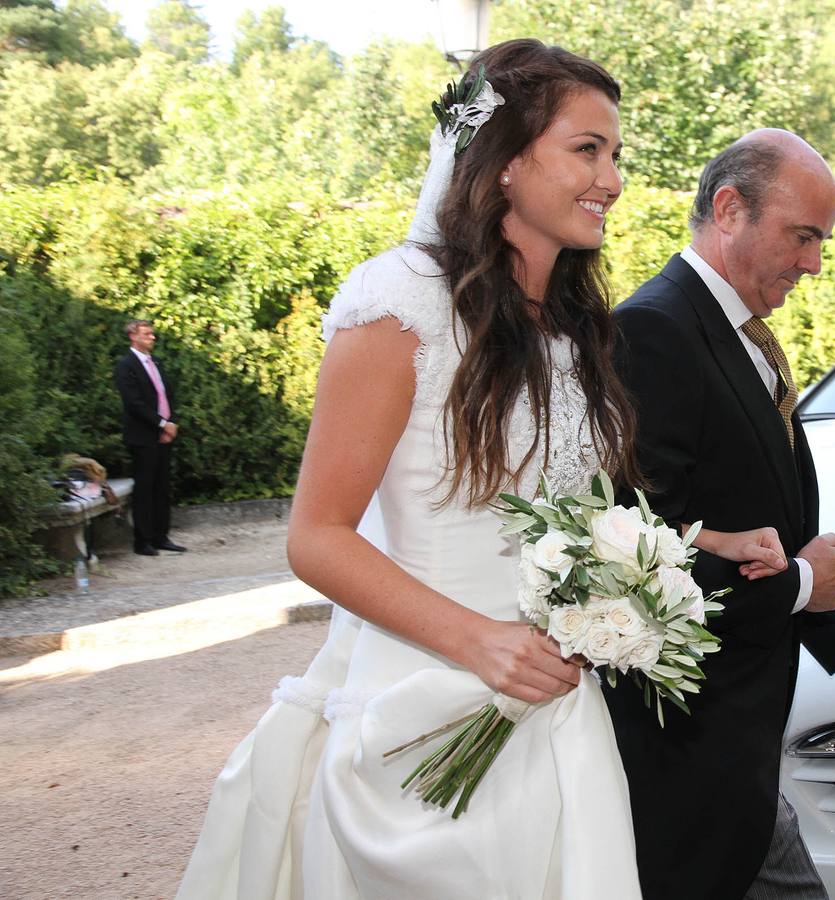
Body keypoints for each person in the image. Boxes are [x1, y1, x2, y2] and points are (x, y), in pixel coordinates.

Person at [174, 41, 778, 900]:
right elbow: (316, 539)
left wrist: (687, 542)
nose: (611, 179)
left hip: (556, 712)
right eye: (587, 149)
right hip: (425, 706)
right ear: (502, 163)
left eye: (616, 155)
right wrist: (482, 644)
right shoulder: (399, 306)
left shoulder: (575, 329)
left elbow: (558, 510)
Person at [602, 130, 835, 900]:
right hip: (687, 748)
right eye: (802, 235)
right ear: (727, 209)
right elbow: (639, 555)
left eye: (821, 240)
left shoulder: (737, 331)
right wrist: (810, 582)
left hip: (735, 748)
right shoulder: (653, 332)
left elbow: (762, 523)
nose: (814, 262)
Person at [114, 319, 186, 555]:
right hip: (143, 435)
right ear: (133, 336)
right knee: (145, 488)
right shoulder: (126, 365)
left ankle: (161, 536)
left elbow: (166, 395)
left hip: (164, 433)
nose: (152, 337)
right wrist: (161, 424)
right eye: (146, 334)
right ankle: (142, 541)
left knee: (162, 487)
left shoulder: (156, 362)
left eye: (152, 334)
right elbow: (134, 403)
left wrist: (170, 423)